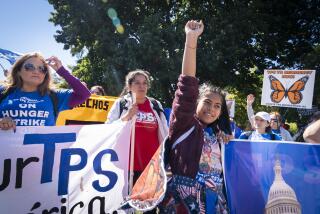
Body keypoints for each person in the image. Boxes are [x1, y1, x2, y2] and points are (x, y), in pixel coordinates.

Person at [159, 20, 232, 213]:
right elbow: (187, 85)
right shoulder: (184, 123)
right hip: (184, 203)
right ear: (196, 102)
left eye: (217, 106)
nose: (212, 109)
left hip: (215, 203)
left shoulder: (221, 136)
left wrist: (228, 142)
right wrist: (191, 40)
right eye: (207, 102)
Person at [106, 69, 168, 184]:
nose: (142, 86)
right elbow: (108, 130)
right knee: (129, 200)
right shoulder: (121, 104)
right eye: (137, 83)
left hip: (152, 165)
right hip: (127, 166)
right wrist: (127, 116)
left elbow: (165, 132)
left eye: (145, 83)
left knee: (149, 201)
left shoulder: (155, 104)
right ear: (129, 86)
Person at [0, 53, 90, 130]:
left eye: (42, 69)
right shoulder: (3, 92)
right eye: (30, 67)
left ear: (45, 75)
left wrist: (61, 70)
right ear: (18, 71)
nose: (36, 71)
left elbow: (84, 94)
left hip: (44, 150)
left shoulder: (54, 96)